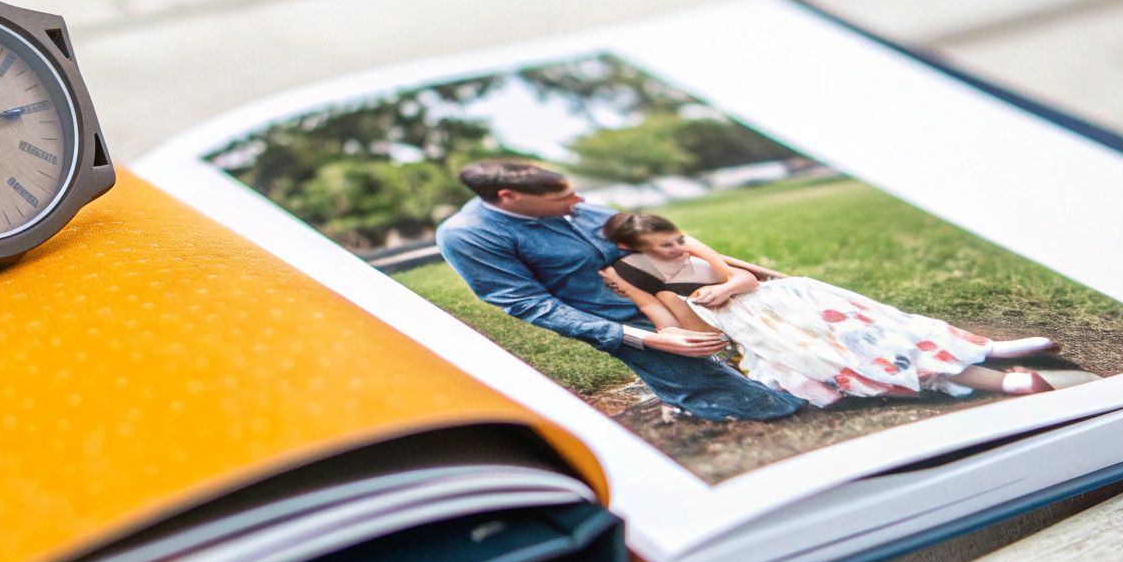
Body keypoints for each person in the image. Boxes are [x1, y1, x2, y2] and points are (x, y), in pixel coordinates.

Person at [435, 161, 803, 421]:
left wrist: (777, 279)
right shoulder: (468, 234)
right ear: (508, 196)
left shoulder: (580, 208)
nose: (578, 201)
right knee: (768, 404)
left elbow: (670, 247)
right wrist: (648, 340)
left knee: (804, 352)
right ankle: (692, 388)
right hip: (626, 320)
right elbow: (529, 303)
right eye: (562, 197)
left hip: (689, 295)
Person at [599, 211, 1060, 407]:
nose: (679, 248)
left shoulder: (686, 244)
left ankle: (985, 352)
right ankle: (973, 375)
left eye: (679, 239)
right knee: (849, 359)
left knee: (877, 331)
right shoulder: (633, 274)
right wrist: (687, 332)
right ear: (630, 248)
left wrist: (723, 289)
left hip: (777, 299)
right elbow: (667, 320)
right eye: (667, 246)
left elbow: (741, 276)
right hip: (751, 325)